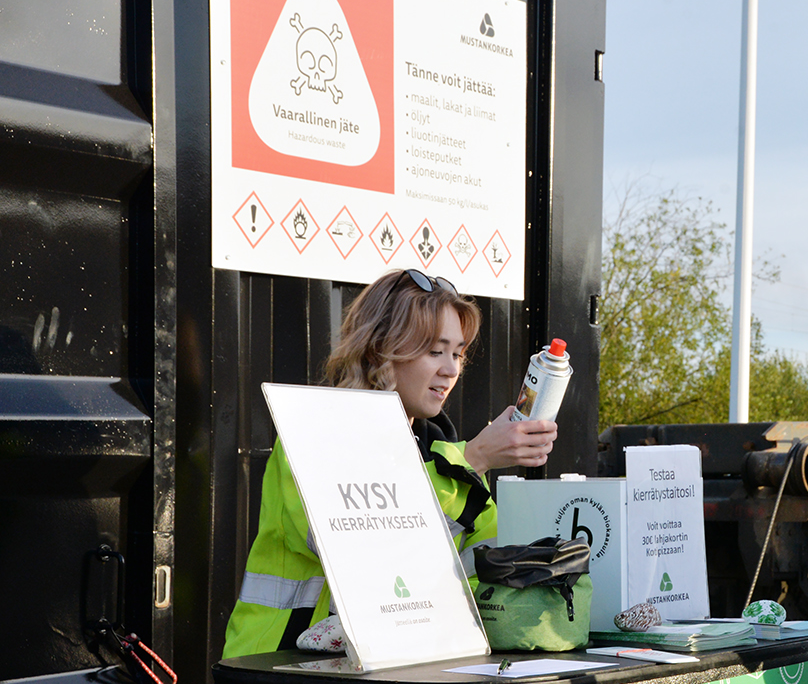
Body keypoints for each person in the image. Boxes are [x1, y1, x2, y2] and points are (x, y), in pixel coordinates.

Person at [221, 268, 559, 657]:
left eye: (458, 352)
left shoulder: (441, 451)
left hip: (381, 669)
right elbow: (370, 547)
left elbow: (479, 567)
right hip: (281, 670)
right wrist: (476, 458)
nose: (450, 369)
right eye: (434, 351)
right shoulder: (316, 429)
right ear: (380, 348)